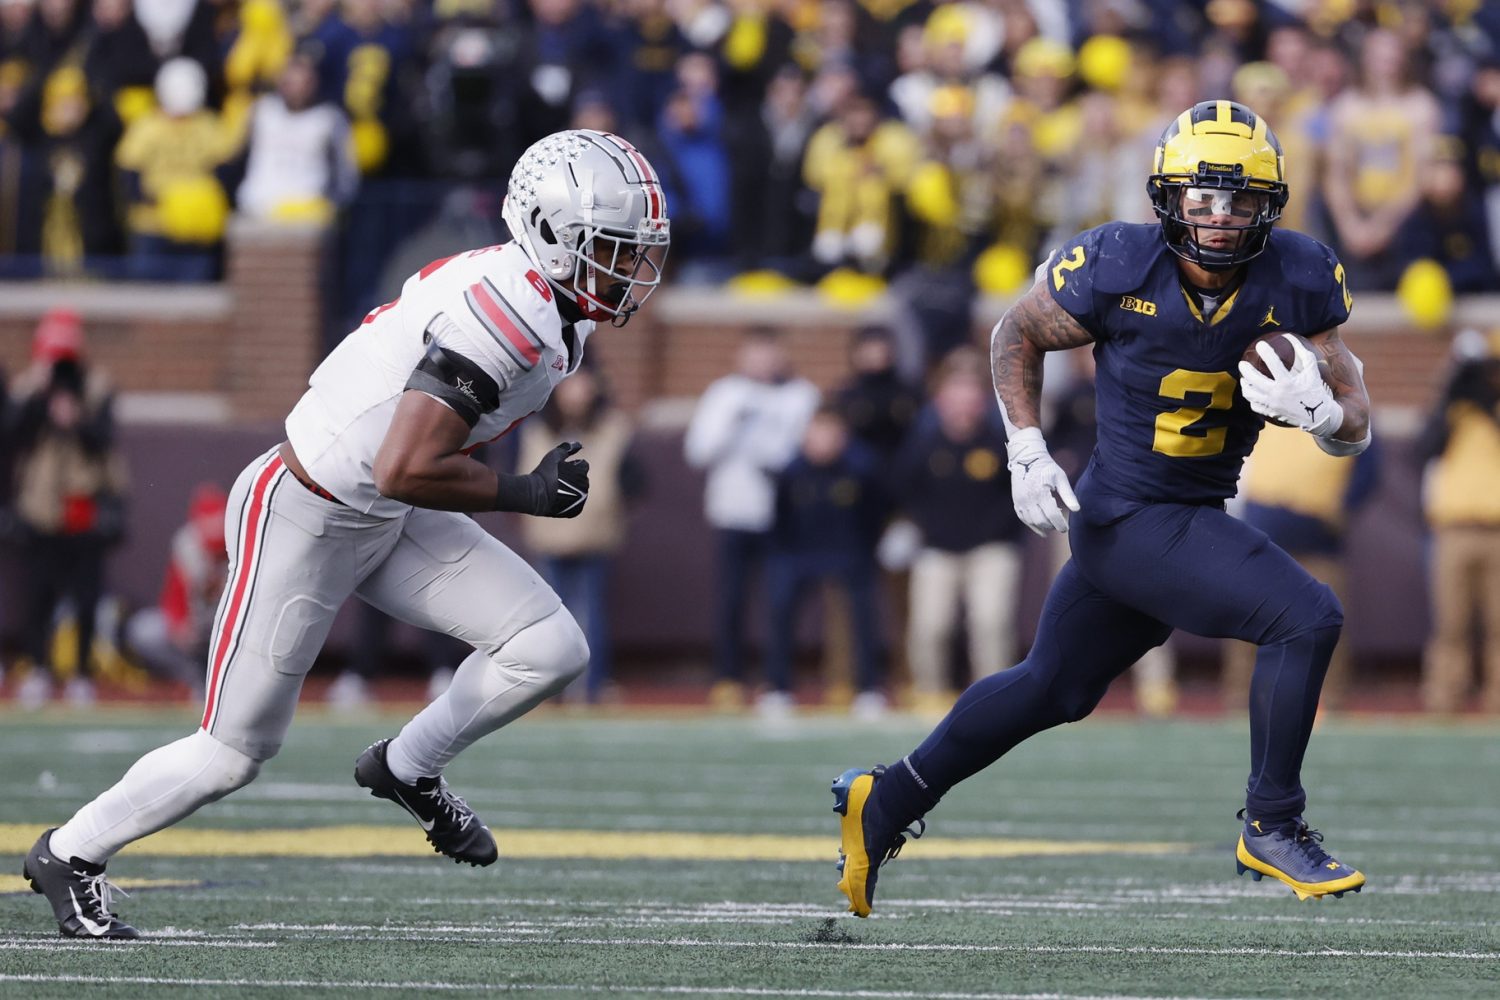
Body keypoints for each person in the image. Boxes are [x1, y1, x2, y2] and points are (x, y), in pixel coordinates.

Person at [22, 129, 671, 938]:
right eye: (611, 247)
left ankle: (408, 767)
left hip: (384, 509)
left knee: (549, 646)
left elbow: (403, 472)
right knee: (232, 753)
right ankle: (70, 854)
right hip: (309, 510)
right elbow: (404, 465)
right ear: (550, 233)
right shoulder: (506, 315)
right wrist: (524, 493)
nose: (628, 268)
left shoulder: (546, 303)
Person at [829, 101, 1373, 918]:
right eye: (1203, 198)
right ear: (1167, 197)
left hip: (1184, 513)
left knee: (1053, 687)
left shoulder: (1297, 277)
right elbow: (1016, 333)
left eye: (1241, 201)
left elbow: (1356, 413)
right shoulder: (1117, 261)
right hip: (1128, 515)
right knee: (1307, 617)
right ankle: (1273, 822)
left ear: (1272, 205)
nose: (1221, 219)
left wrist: (1325, 417)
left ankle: (889, 797)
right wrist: (1024, 445)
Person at [684, 327, 818, 711]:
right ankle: (729, 678)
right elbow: (699, 451)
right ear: (741, 357)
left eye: (769, 354)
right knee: (731, 599)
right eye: (754, 355)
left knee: (781, 601)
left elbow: (807, 451)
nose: (762, 363)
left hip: (782, 514)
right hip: (733, 511)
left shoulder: (801, 395)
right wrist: (734, 423)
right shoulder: (725, 393)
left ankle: (778, 681)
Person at [7, 308, 127, 707]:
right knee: (37, 595)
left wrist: (75, 417)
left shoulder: (97, 387)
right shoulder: (29, 387)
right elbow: (11, 438)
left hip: (83, 506)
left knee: (86, 596)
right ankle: (38, 668)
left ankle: (81, 674)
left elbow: (104, 442)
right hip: (40, 509)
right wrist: (41, 396)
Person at [762, 403, 887, 719]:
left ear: (842, 436)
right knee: (780, 608)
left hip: (848, 552)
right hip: (798, 553)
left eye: (830, 434)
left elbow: (875, 514)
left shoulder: (861, 469)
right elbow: (780, 518)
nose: (822, 441)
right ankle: (778, 689)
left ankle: (868, 690)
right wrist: (784, 553)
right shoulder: (792, 471)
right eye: (816, 433)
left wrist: (865, 548)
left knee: (863, 617)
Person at [1414, 328, 1500, 714]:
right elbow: (1424, 449)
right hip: (1452, 531)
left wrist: (1488, 401)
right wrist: (1453, 396)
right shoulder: (1450, 408)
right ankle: (1444, 699)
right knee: (1450, 625)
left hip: (1496, 530)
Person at [122, 482, 228, 696]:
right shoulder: (187, 545)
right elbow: (174, 596)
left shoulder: (242, 544)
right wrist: (180, 625)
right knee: (144, 630)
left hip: (229, 628)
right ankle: (194, 677)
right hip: (196, 628)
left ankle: (233, 682)